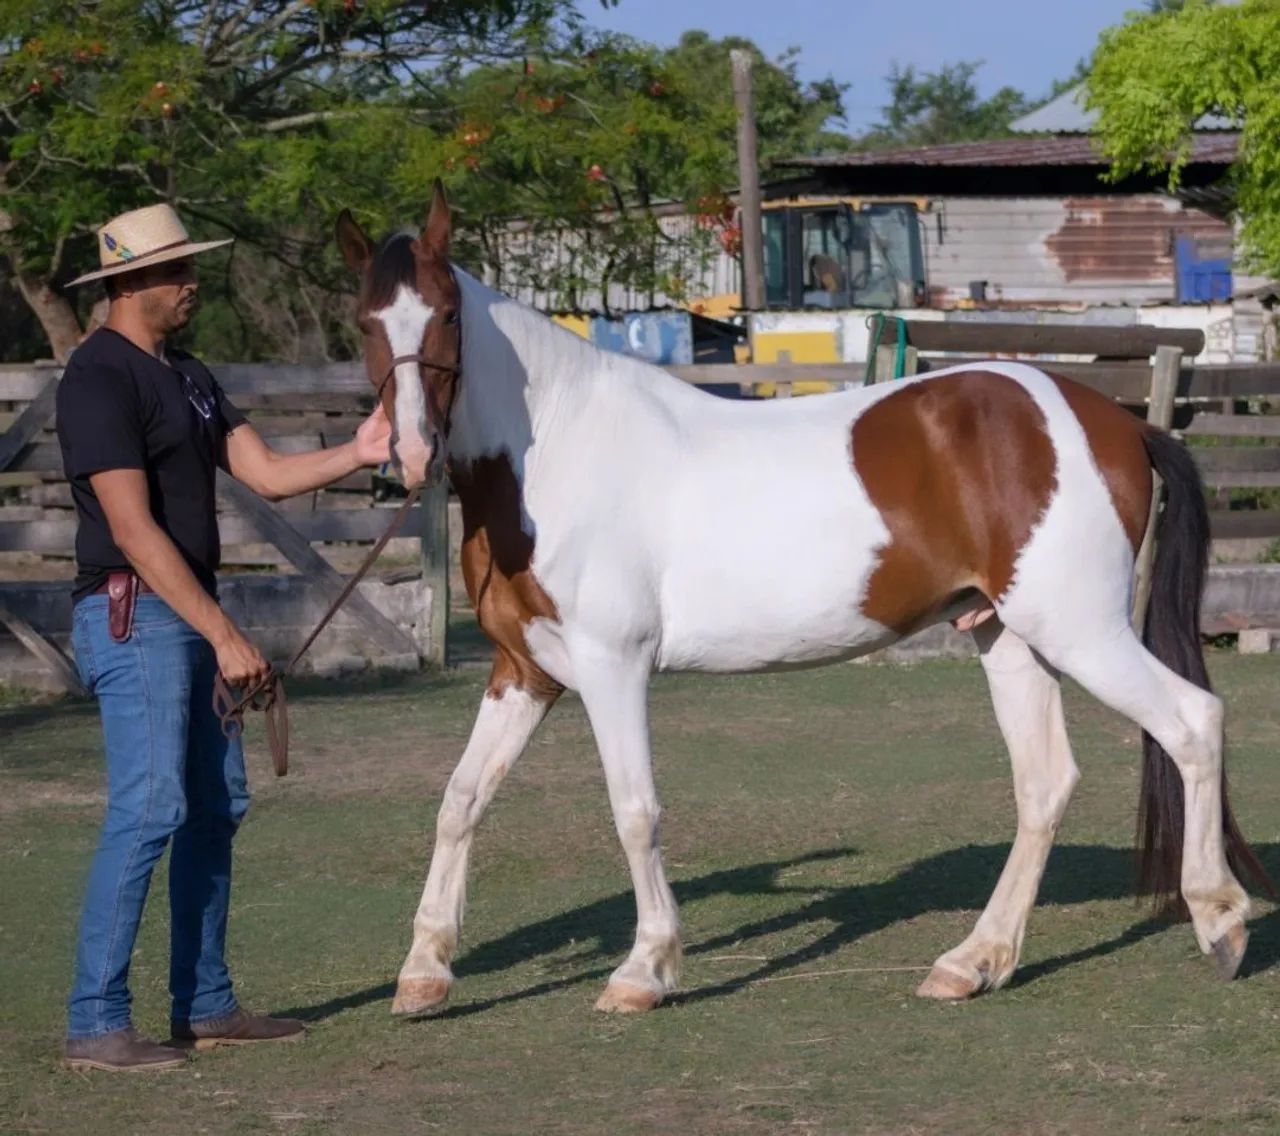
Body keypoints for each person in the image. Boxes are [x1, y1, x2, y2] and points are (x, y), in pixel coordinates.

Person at [57, 203, 391, 1072]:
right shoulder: (97, 377)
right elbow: (131, 528)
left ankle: (205, 1005)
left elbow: (269, 473)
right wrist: (226, 635)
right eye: (176, 271)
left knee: (215, 804)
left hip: (187, 612)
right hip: (136, 614)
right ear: (128, 284)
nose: (190, 283)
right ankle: (96, 1021)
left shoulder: (190, 375)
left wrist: (361, 449)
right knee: (152, 806)